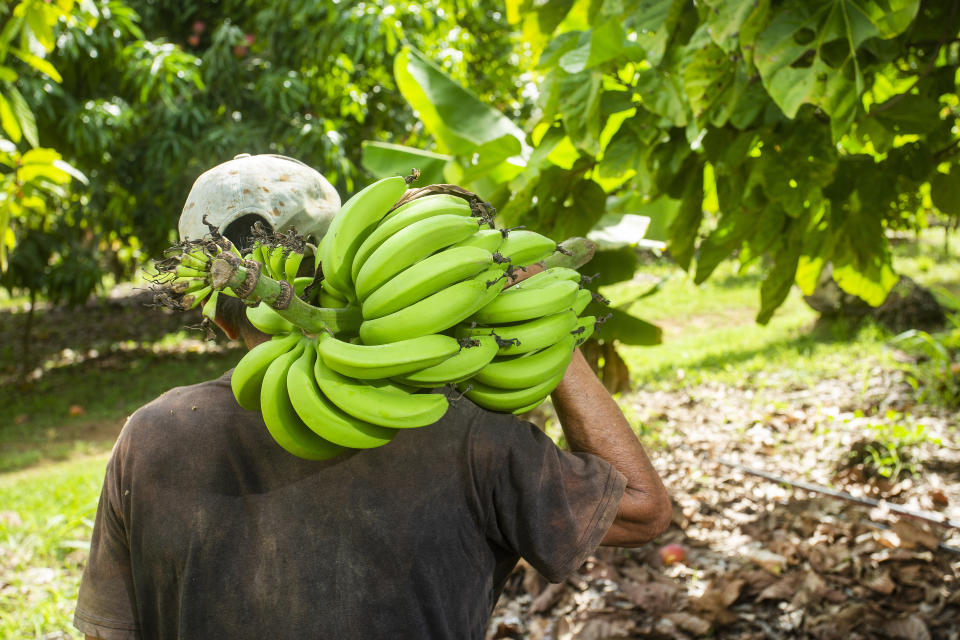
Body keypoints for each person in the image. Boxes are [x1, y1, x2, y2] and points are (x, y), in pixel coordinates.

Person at [74, 154, 671, 640]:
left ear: (218, 317)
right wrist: (551, 332)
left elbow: (109, 632)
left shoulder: (149, 437)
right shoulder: (465, 432)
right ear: (343, 259)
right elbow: (644, 511)